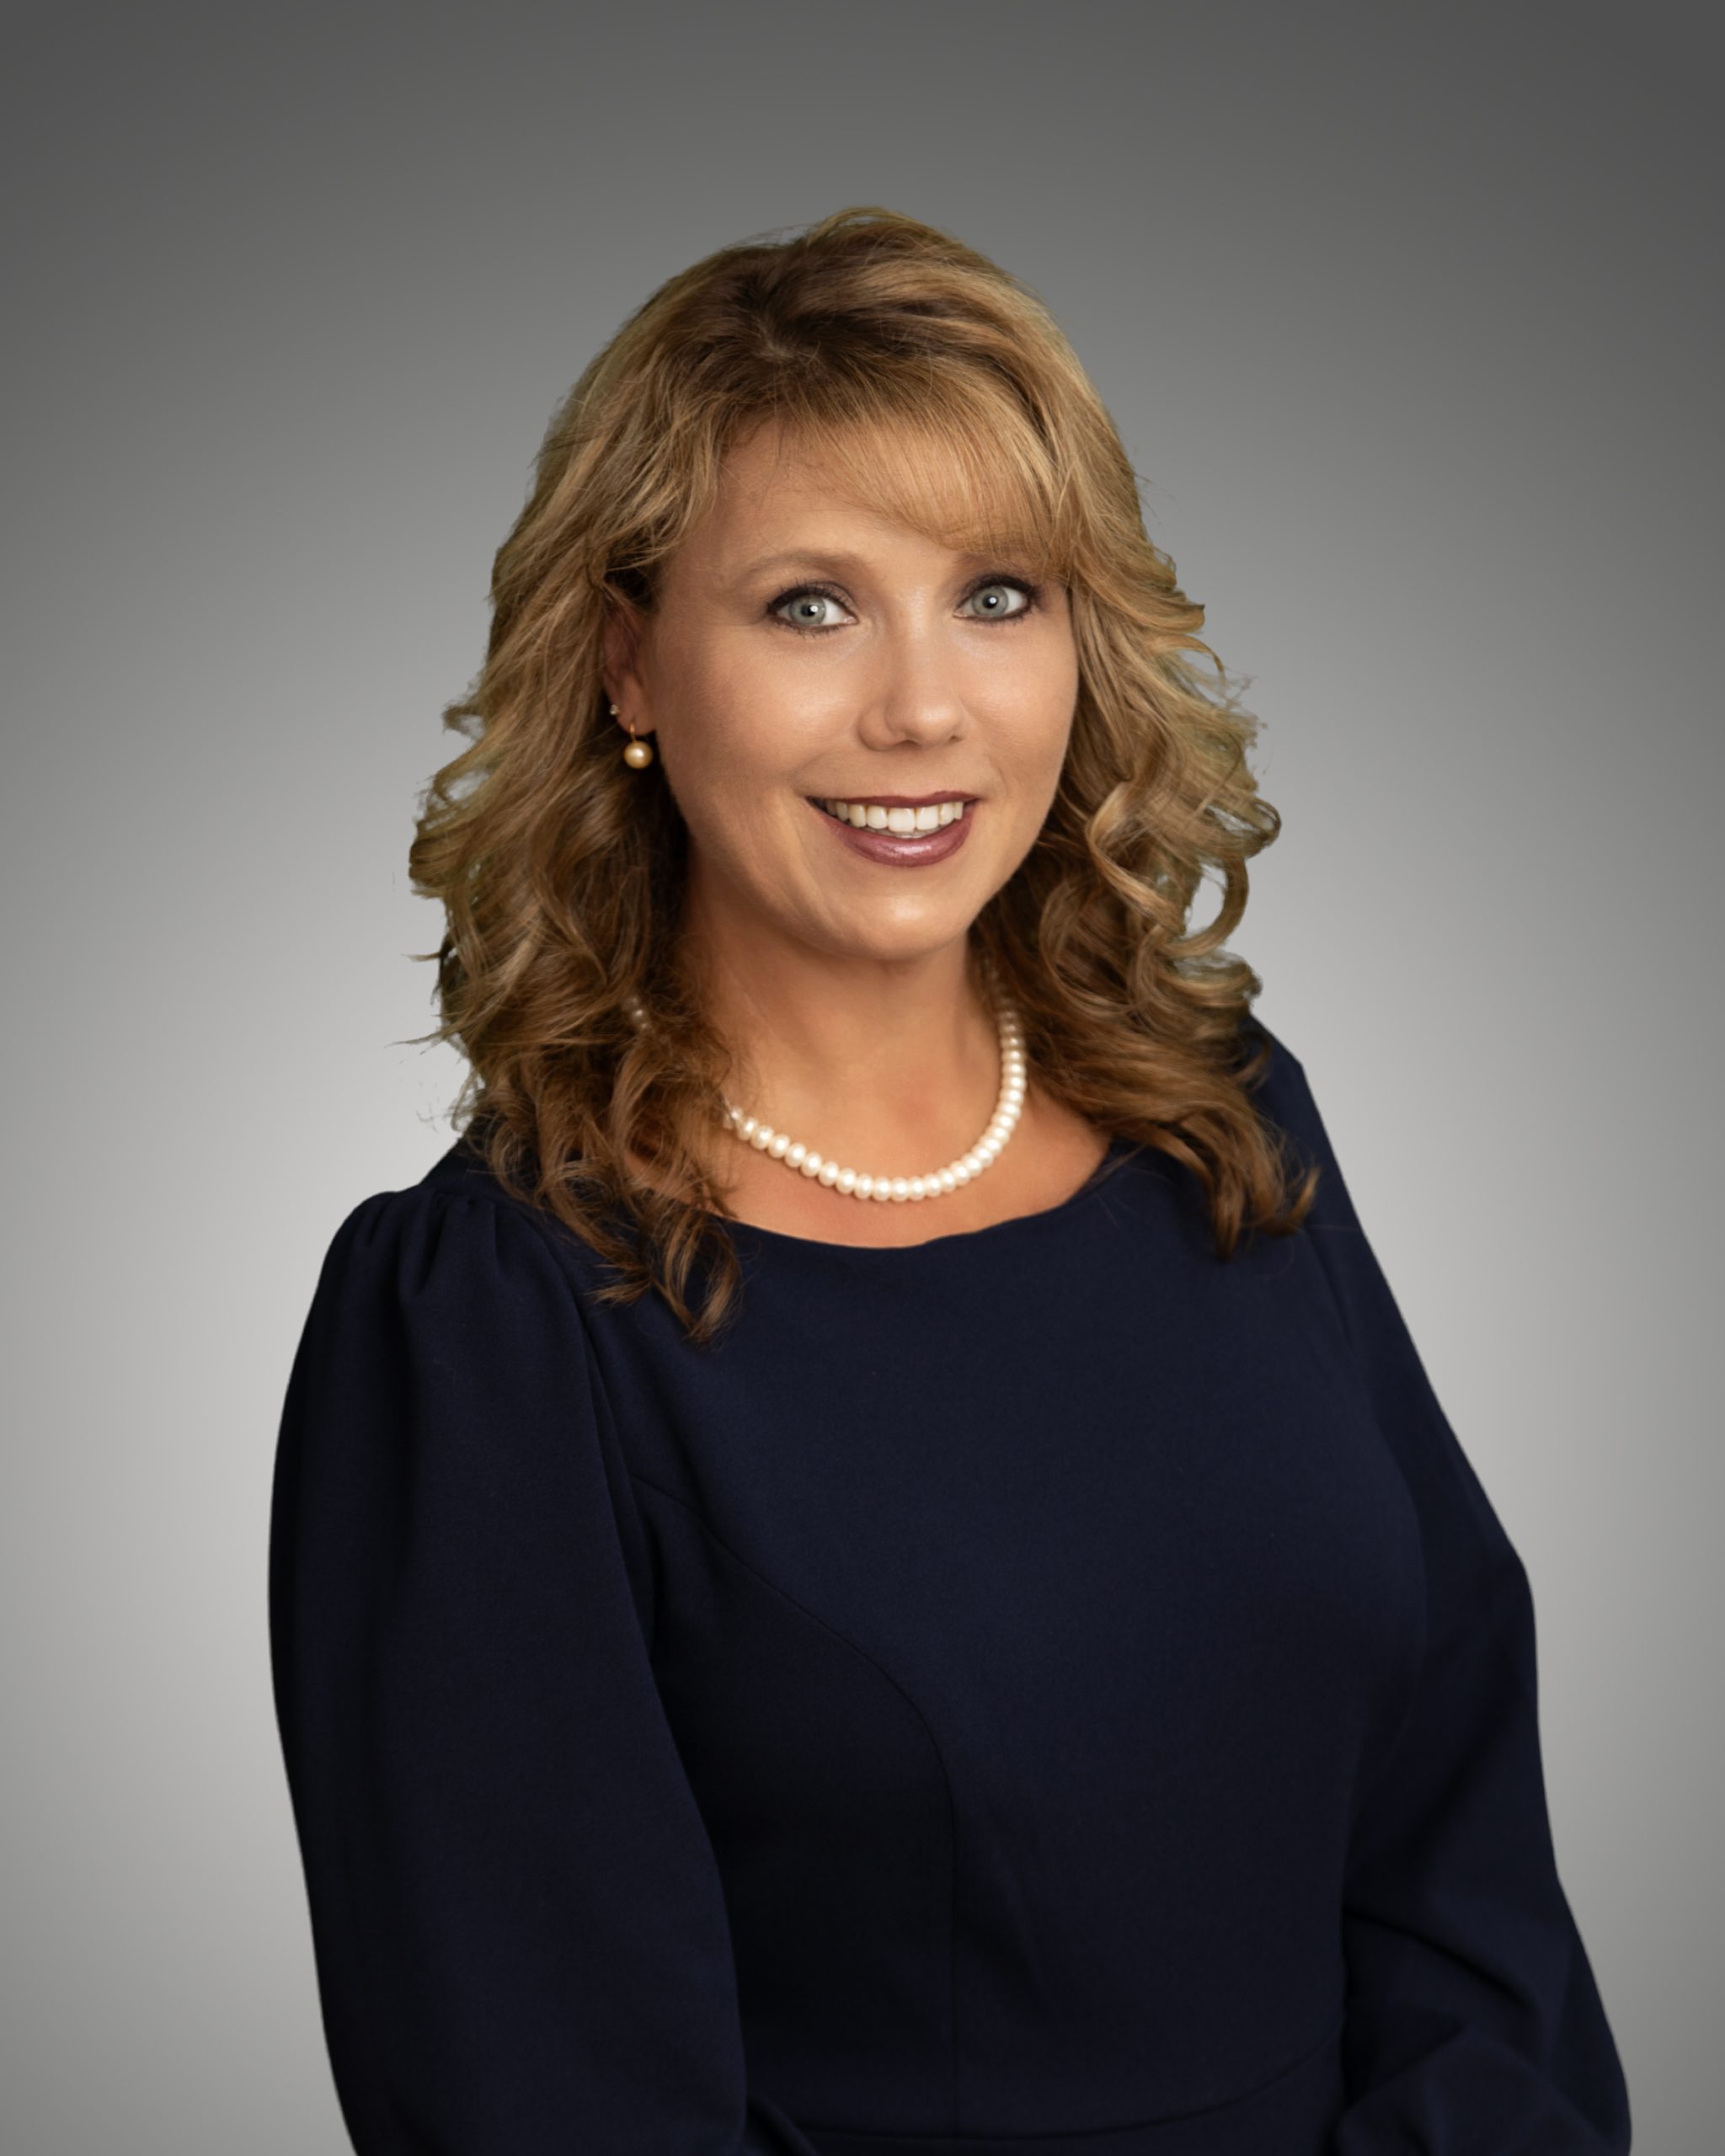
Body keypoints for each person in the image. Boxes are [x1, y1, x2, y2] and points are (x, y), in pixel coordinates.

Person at [268, 206, 1632, 2154]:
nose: (921, 707)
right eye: (810, 604)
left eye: (997, 593)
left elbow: (1458, 1834)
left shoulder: (1225, 1130)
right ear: (629, 663)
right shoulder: (493, 1326)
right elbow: (548, 2098)